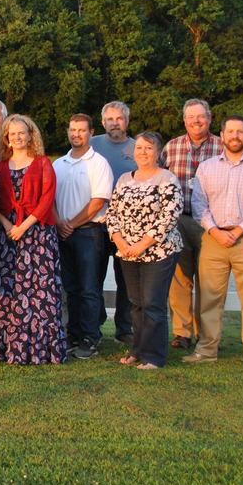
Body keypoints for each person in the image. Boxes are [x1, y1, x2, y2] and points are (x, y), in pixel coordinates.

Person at [184, 116, 243, 374]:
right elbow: (199, 204)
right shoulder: (207, 167)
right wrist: (213, 229)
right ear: (221, 136)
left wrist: (237, 231)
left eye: (240, 132)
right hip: (213, 239)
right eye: (230, 131)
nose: (235, 136)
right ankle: (207, 349)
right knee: (210, 298)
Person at [0, 114, 67, 364]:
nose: (18, 137)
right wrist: (9, 225)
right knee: (7, 289)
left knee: (38, 292)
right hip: (8, 236)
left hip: (37, 235)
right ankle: (7, 348)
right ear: (7, 139)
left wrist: (25, 226)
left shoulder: (43, 163)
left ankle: (40, 351)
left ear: (31, 135)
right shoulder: (0, 166)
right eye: (13, 134)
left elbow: (47, 200)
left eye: (22, 133)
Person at [105, 132, 183, 370]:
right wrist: (119, 242)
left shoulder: (167, 179)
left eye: (148, 148)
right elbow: (112, 213)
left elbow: (169, 215)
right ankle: (138, 350)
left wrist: (141, 245)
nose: (143, 152)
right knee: (136, 303)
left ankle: (154, 356)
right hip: (127, 252)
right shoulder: (124, 179)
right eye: (139, 148)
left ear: (158, 152)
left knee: (152, 303)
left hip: (157, 251)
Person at [161, 99, 223, 350]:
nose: (196, 121)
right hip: (179, 219)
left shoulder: (222, 146)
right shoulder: (172, 147)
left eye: (201, 116)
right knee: (180, 278)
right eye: (191, 117)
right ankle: (182, 333)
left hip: (211, 222)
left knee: (209, 280)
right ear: (184, 120)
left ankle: (208, 335)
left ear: (209, 118)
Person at [53, 113, 113, 360]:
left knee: (89, 288)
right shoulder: (59, 164)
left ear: (90, 133)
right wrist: (60, 223)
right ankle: (74, 334)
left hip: (89, 233)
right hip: (64, 234)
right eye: (72, 129)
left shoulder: (98, 163)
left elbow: (98, 201)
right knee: (70, 288)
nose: (76, 134)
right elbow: (51, 200)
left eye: (81, 130)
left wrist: (72, 224)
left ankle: (90, 336)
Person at [89, 101, 137, 346]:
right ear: (103, 121)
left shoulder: (138, 148)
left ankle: (124, 328)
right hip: (97, 223)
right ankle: (94, 325)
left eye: (119, 118)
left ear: (126, 121)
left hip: (127, 227)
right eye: (110, 119)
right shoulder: (92, 144)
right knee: (93, 278)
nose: (114, 123)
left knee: (126, 279)